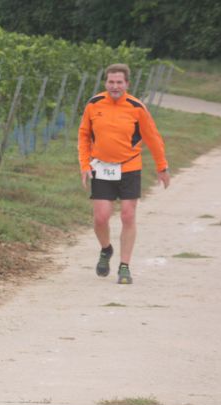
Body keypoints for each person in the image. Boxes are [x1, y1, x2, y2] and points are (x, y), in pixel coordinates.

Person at [77, 63, 170, 285]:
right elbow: (84, 135)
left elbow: (153, 138)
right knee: (101, 218)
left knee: (128, 215)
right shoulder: (94, 104)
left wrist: (162, 166)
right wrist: (84, 164)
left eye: (119, 82)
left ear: (127, 84)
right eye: (111, 82)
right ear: (105, 83)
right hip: (101, 167)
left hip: (129, 167)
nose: (115, 86)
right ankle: (106, 249)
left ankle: (124, 266)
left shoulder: (136, 107)